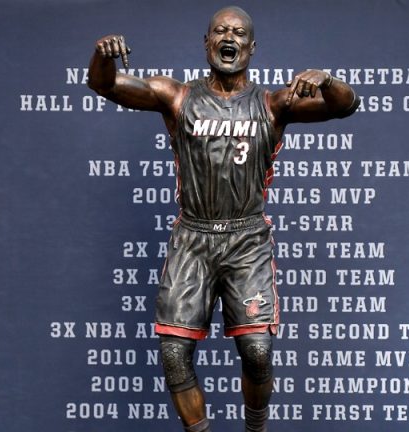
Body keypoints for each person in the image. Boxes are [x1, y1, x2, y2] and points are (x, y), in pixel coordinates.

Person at [88, 6, 359, 432]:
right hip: (192, 237)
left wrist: (326, 79)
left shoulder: (272, 104)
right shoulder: (176, 96)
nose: (227, 37)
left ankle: (256, 427)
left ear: (251, 48)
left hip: (246, 239)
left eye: (237, 33)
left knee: (256, 351)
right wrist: (102, 54)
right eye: (219, 31)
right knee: (174, 353)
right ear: (207, 43)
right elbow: (103, 84)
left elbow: (345, 106)